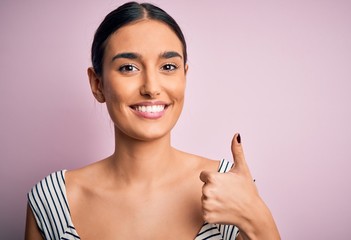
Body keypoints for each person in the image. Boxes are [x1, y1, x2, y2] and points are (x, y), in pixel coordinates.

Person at [25, 2, 280, 239]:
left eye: (168, 67)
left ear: (185, 76)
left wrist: (256, 216)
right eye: (128, 67)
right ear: (97, 84)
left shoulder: (228, 188)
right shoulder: (53, 200)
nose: (151, 87)